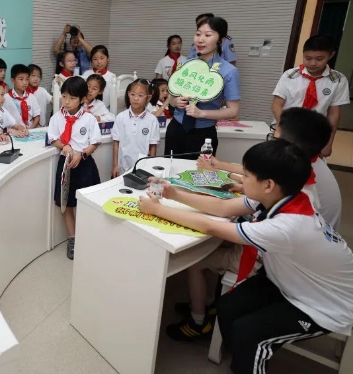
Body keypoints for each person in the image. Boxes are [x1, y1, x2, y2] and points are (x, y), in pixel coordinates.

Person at [139, 139, 353, 374]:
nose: (241, 179)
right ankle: (243, 358)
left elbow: (211, 227)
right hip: (287, 279)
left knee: (249, 333)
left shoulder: (288, 226)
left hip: (323, 304)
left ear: (268, 184)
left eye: (247, 175)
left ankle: (248, 358)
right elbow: (223, 208)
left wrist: (158, 209)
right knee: (227, 307)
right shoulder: (282, 195)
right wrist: (174, 194)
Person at [197, 107, 342, 231]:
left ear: (288, 146)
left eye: (275, 137)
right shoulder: (304, 161)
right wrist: (220, 166)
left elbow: (223, 209)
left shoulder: (300, 173)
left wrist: (224, 174)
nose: (271, 141)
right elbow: (257, 172)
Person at [166, 16, 241, 158]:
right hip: (176, 128)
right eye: (198, 34)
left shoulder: (229, 71)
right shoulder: (187, 64)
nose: (200, 39)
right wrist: (175, 101)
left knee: (197, 171)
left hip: (203, 135)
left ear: (221, 40)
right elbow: (171, 95)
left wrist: (202, 113)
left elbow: (233, 111)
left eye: (208, 35)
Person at [48, 76, 101, 260]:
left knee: (87, 202)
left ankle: (88, 237)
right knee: (67, 203)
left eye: (72, 98)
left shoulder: (89, 119)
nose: (67, 101)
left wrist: (82, 154)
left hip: (85, 164)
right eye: (64, 96)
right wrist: (64, 146)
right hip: (66, 164)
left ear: (83, 99)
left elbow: (95, 142)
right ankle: (73, 238)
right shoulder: (56, 118)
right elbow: (52, 138)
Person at [271, 34, 350, 157]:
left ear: (331, 55)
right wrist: (284, 128)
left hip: (315, 134)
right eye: (307, 58)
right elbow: (276, 105)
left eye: (319, 59)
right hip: (285, 129)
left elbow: (334, 114)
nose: (312, 63)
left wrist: (328, 143)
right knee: (280, 161)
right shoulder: (290, 75)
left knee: (307, 165)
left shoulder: (338, 80)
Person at [111, 79, 160, 177]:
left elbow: (153, 146)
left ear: (148, 97)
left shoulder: (152, 120)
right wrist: (115, 165)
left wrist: (151, 166)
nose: (135, 98)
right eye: (132, 94)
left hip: (142, 166)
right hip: (123, 165)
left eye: (140, 95)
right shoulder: (121, 117)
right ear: (128, 94)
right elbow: (116, 143)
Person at [4, 64, 41, 129]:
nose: (25, 82)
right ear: (12, 80)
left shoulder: (31, 97)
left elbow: (37, 116)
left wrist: (30, 129)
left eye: (27, 79)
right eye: (21, 79)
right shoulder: (6, 98)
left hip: (30, 130)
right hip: (14, 131)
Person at [81, 45, 117, 110]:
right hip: (86, 108)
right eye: (95, 59)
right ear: (91, 61)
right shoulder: (87, 74)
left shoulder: (112, 76)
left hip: (105, 109)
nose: (99, 62)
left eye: (102, 58)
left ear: (108, 58)